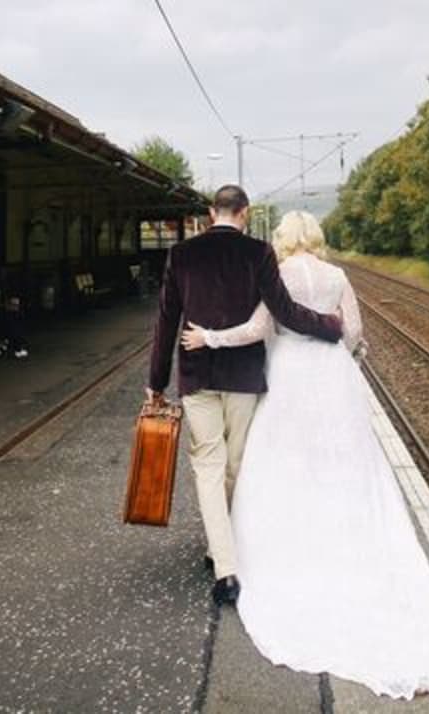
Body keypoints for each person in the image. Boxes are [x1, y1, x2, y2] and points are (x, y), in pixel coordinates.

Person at [178, 211, 429, 699]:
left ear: (282, 240)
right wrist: (351, 357)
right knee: (344, 463)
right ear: (316, 239)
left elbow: (258, 328)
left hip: (289, 379)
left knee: (286, 464)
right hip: (331, 376)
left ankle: (283, 545)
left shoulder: (274, 274)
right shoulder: (337, 275)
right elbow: (353, 333)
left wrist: (210, 337)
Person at [148, 186, 344, 606]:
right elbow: (285, 311)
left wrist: (156, 382)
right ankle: (225, 555)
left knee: (208, 467)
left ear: (209, 212)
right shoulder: (259, 253)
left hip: (197, 375)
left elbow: (166, 321)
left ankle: (224, 566)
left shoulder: (182, 254)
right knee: (234, 467)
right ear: (245, 212)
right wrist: (330, 327)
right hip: (243, 376)